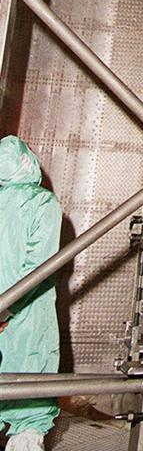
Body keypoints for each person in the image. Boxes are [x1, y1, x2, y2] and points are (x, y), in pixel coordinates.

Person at [0, 136, 62, 451]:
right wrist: (8, 309)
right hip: (28, 310)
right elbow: (39, 266)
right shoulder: (43, 203)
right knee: (32, 376)